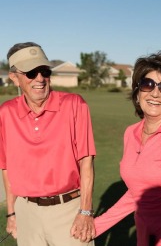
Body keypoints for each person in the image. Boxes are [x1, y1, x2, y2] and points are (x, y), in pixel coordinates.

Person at [93, 51, 161, 246]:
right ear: (137, 93)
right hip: (145, 236)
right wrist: (96, 226)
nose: (155, 93)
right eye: (148, 84)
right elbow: (136, 193)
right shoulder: (130, 133)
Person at [0, 42, 96, 246]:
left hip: (69, 210)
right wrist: (11, 213)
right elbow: (7, 168)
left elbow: (86, 162)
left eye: (45, 71)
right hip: (26, 212)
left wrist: (85, 211)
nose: (40, 79)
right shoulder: (6, 112)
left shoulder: (74, 104)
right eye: (31, 73)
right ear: (14, 78)